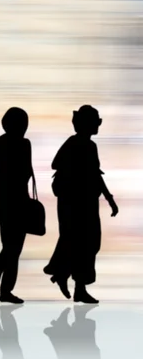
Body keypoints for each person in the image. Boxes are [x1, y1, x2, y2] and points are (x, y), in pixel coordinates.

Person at [44, 106, 118, 303]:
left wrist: (109, 199)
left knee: (86, 243)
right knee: (82, 243)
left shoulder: (87, 145)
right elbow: (58, 164)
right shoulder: (78, 144)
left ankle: (69, 279)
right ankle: (74, 283)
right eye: (95, 122)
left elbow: (95, 175)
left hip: (83, 202)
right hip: (76, 203)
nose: (97, 126)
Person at [0, 107, 35, 304]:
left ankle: (1, 285)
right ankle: (1, 286)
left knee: (12, 247)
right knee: (12, 247)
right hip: (10, 200)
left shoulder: (7, 143)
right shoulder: (9, 143)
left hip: (14, 199)